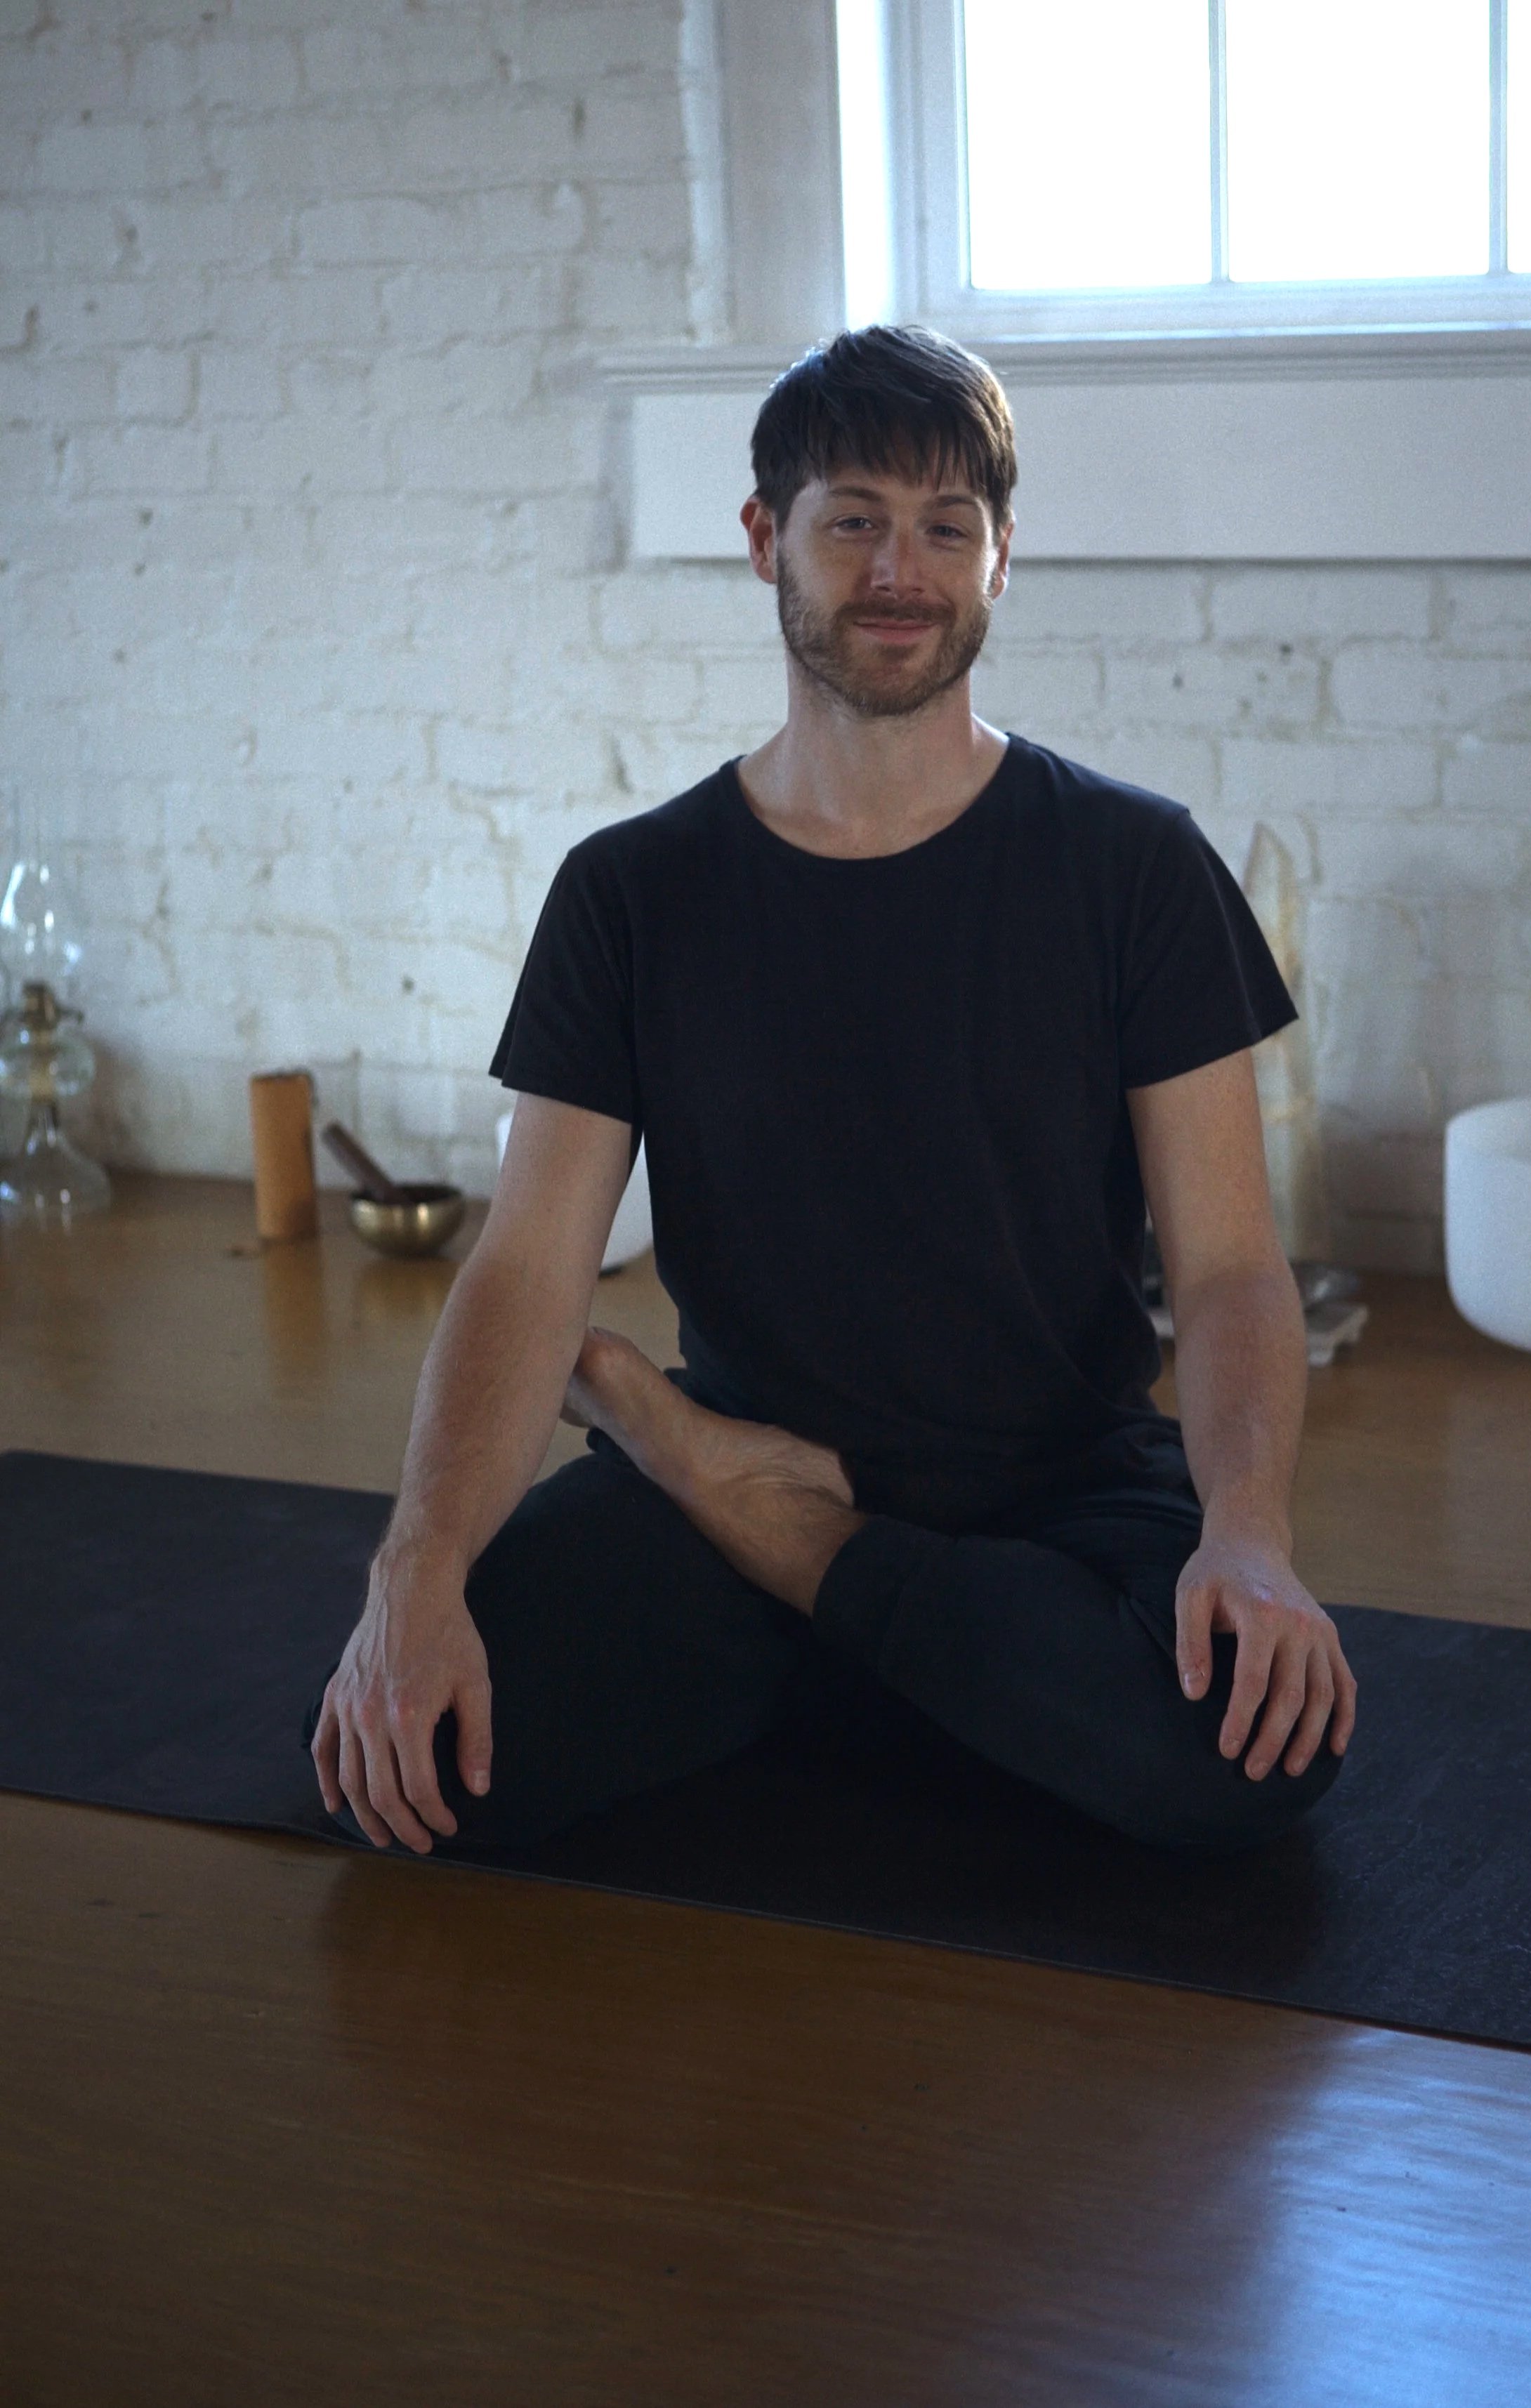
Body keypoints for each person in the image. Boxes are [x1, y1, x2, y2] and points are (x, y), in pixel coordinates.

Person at [306, 324, 1357, 1861]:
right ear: (764, 541)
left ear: (1003, 557)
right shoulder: (630, 890)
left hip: (1054, 1488)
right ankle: (892, 1635)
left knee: (1250, 1754)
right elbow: (527, 1266)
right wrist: (414, 1574)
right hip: (752, 1441)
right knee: (416, 1762)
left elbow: (1224, 1269)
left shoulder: (1134, 867)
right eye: (852, 517)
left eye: (947, 527)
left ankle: (785, 1543)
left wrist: (1247, 1540)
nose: (898, 570)